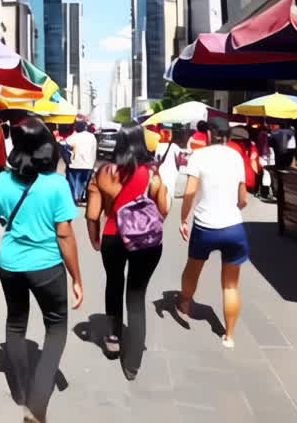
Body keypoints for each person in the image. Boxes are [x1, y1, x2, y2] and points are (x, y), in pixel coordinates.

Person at [0, 117, 82, 423]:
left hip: (10, 265)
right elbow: (64, 235)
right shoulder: (57, 184)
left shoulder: (2, 181)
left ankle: (20, 392)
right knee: (56, 328)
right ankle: (37, 402)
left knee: (16, 323)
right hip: (48, 268)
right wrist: (76, 277)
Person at [85, 122, 169, 380]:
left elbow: (92, 214)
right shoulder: (152, 172)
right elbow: (163, 210)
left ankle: (113, 339)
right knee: (136, 295)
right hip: (146, 241)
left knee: (113, 283)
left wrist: (95, 239)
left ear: (118, 142)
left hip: (113, 237)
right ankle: (132, 363)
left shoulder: (103, 172)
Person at [177, 117, 248, 348]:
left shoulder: (199, 156)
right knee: (231, 285)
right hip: (233, 227)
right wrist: (235, 208)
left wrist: (183, 218)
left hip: (205, 226)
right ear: (228, 136)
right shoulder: (236, 157)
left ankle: (185, 303)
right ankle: (229, 335)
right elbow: (243, 198)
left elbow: (189, 192)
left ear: (209, 134)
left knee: (193, 268)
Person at [66, 121, 97, 205]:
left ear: (75, 128)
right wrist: (92, 163)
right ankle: (82, 197)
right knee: (84, 182)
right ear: (85, 127)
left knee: (73, 182)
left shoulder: (71, 138)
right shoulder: (92, 137)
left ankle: (75, 198)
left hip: (74, 164)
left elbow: (67, 150)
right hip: (88, 164)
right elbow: (93, 151)